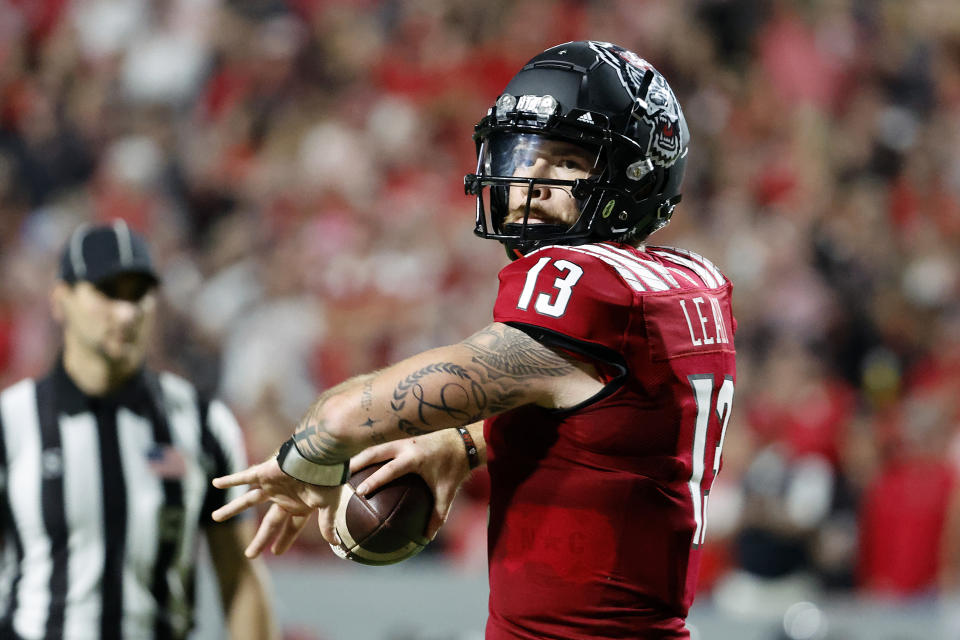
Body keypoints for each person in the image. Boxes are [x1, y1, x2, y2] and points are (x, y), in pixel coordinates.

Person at [213, 40, 737, 639]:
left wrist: (304, 461)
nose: (530, 180)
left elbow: (341, 420)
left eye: (566, 160)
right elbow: (605, 420)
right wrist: (463, 445)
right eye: (523, 153)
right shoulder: (695, 282)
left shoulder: (584, 286)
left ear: (635, 174)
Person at [0, 221, 278, 640]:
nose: (126, 312)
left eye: (139, 294)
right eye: (108, 292)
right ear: (60, 300)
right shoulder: (11, 421)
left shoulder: (203, 424)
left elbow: (239, 574)